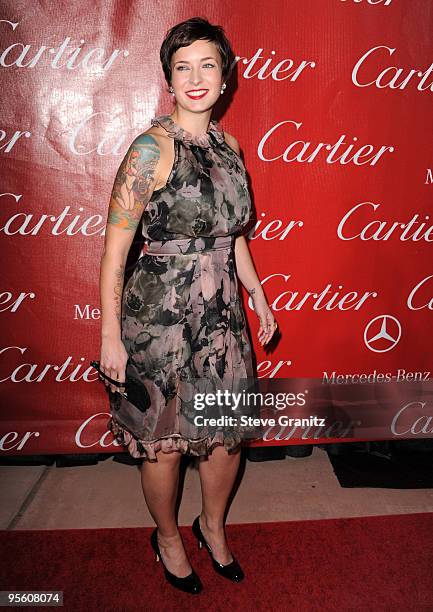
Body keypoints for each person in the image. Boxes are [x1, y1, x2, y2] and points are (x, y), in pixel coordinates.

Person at [98, 17, 277, 594]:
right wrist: (109, 335)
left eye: (208, 64)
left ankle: (212, 526)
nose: (196, 77)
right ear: (168, 81)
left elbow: (234, 234)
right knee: (166, 445)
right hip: (159, 316)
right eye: (183, 67)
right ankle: (169, 537)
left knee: (225, 437)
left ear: (224, 78)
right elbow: (116, 249)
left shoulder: (230, 147)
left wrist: (258, 294)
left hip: (222, 312)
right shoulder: (149, 149)